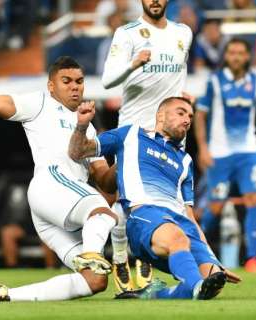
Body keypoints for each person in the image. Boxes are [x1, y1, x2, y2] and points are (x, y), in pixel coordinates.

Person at [0, 43, 118, 302]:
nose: (75, 86)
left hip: (59, 209)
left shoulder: (88, 127)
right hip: (51, 184)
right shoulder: (39, 103)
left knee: (95, 281)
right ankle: (94, 253)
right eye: (67, 81)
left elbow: (106, 181)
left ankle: (4, 296)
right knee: (103, 212)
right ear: (51, 86)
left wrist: (124, 159)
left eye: (80, 81)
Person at [68, 96, 242, 299]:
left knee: (215, 280)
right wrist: (81, 126)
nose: (187, 120)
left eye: (190, 116)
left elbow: (190, 216)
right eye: (180, 113)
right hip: (145, 215)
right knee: (179, 242)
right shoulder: (131, 134)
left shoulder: (185, 160)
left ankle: (155, 295)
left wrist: (215, 261)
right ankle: (193, 287)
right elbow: (77, 151)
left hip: (181, 224)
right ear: (160, 115)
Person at [101, 0, 193, 293]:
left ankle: (145, 258)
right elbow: (106, 81)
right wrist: (133, 64)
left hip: (169, 132)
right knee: (124, 200)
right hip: (134, 129)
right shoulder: (127, 33)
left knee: (165, 202)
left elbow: (180, 74)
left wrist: (182, 100)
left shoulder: (183, 33)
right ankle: (118, 256)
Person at [195, 38, 256, 273]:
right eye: (232, 52)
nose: (236, 57)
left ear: (247, 57)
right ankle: (197, 254)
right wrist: (203, 148)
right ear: (226, 56)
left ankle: (252, 259)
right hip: (220, 154)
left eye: (240, 53)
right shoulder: (215, 82)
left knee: (254, 199)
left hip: (248, 152)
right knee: (215, 207)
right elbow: (200, 115)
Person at [95, 11, 125, 76]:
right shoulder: (105, 45)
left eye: (118, 22)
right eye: (114, 22)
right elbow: (100, 68)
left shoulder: (133, 41)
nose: (116, 24)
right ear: (109, 25)